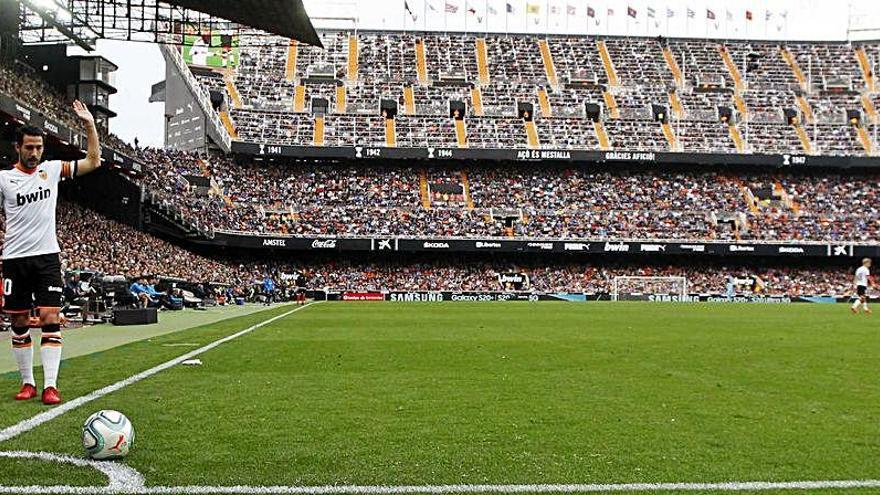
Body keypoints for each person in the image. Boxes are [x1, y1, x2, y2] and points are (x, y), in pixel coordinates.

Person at [4, 100, 101, 405]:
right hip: (14, 260)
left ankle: (50, 386)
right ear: (18, 147)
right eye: (29, 148)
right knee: (19, 323)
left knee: (50, 317)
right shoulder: (5, 179)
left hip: (47, 256)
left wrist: (89, 125)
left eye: (39, 148)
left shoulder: (52, 170)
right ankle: (28, 382)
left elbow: (93, 162)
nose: (34, 153)